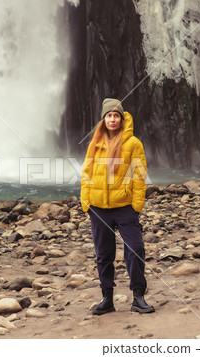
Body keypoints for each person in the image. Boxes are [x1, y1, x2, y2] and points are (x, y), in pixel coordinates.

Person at [80, 98, 154, 315]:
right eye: (109, 116)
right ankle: (107, 299)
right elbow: (87, 173)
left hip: (124, 207)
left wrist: (136, 205)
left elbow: (139, 176)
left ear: (122, 119)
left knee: (135, 248)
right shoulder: (95, 142)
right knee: (104, 254)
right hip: (98, 207)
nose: (112, 119)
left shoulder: (133, 143)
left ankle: (138, 297)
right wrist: (86, 202)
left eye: (116, 115)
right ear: (103, 119)